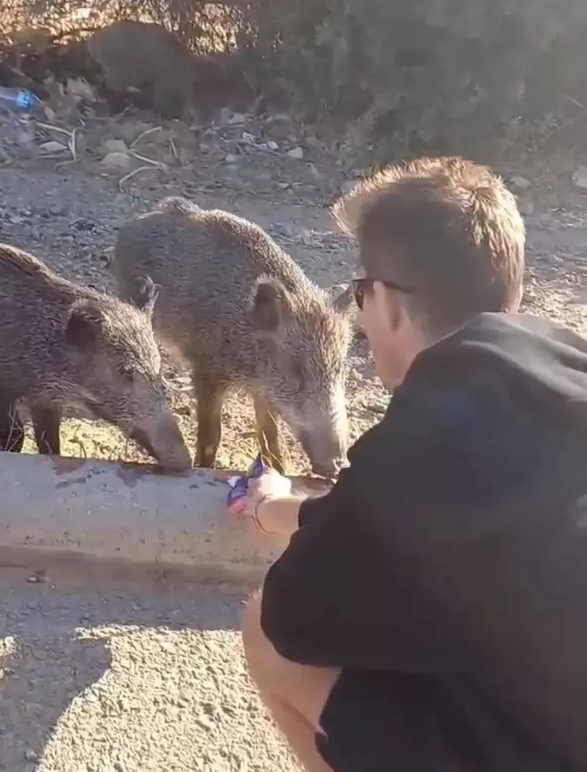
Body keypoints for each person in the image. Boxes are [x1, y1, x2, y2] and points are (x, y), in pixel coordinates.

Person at [239, 156, 587, 772]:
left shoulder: (427, 432)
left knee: (266, 636)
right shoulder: (564, 368)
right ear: (515, 293)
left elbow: (293, 617)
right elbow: (384, 519)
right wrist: (275, 508)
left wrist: (264, 512)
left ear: (389, 306)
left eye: (358, 293)